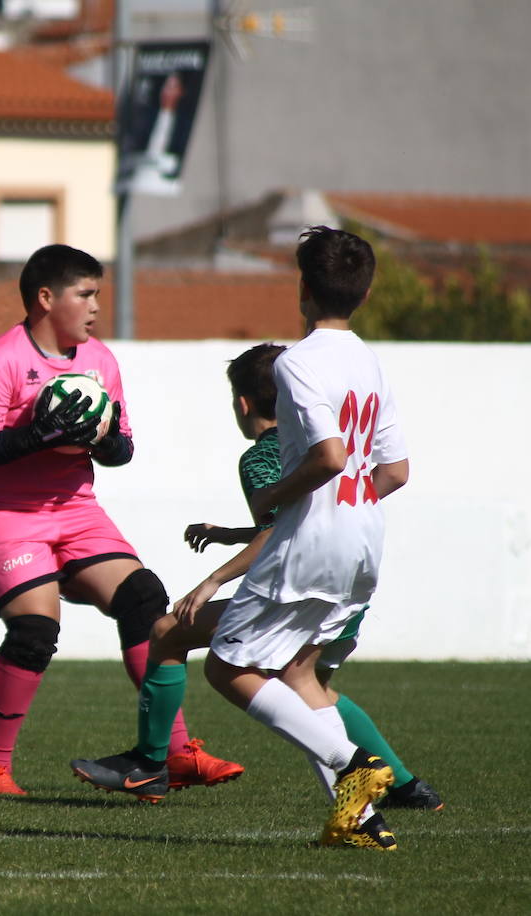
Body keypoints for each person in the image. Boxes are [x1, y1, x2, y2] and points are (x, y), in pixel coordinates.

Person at [70, 343, 442, 813]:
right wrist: (232, 534)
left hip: (302, 583)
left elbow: (276, 529)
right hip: (353, 573)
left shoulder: (265, 454)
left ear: (242, 403)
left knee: (168, 633)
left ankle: (149, 764)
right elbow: (309, 514)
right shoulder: (319, 437)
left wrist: (213, 579)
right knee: (311, 685)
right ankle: (405, 789)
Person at [0, 243, 243, 797]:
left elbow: (122, 449)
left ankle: (175, 753)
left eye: (97, 295)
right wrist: (36, 435)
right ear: (45, 298)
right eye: (84, 294)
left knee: (144, 598)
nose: (94, 307)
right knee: (37, 630)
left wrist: (102, 438)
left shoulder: (101, 361)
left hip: (73, 508)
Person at [201, 226, 409, 851]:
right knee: (297, 669)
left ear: (302, 290)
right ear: (365, 291)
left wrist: (270, 497)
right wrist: (349, 501)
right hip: (364, 537)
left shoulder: (297, 362)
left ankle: (351, 761)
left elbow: (327, 455)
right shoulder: (370, 363)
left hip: (309, 539)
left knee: (226, 666)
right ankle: (359, 823)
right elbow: (394, 471)